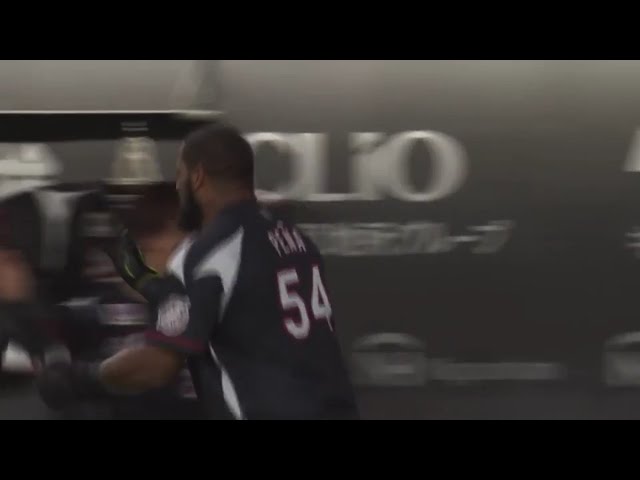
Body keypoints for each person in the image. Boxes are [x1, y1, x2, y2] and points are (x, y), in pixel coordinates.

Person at [36, 122, 359, 420]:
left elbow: (157, 366)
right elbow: (235, 304)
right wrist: (145, 279)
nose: (178, 186)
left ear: (198, 177)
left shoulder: (208, 253)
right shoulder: (293, 238)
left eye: (180, 176)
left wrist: (80, 378)